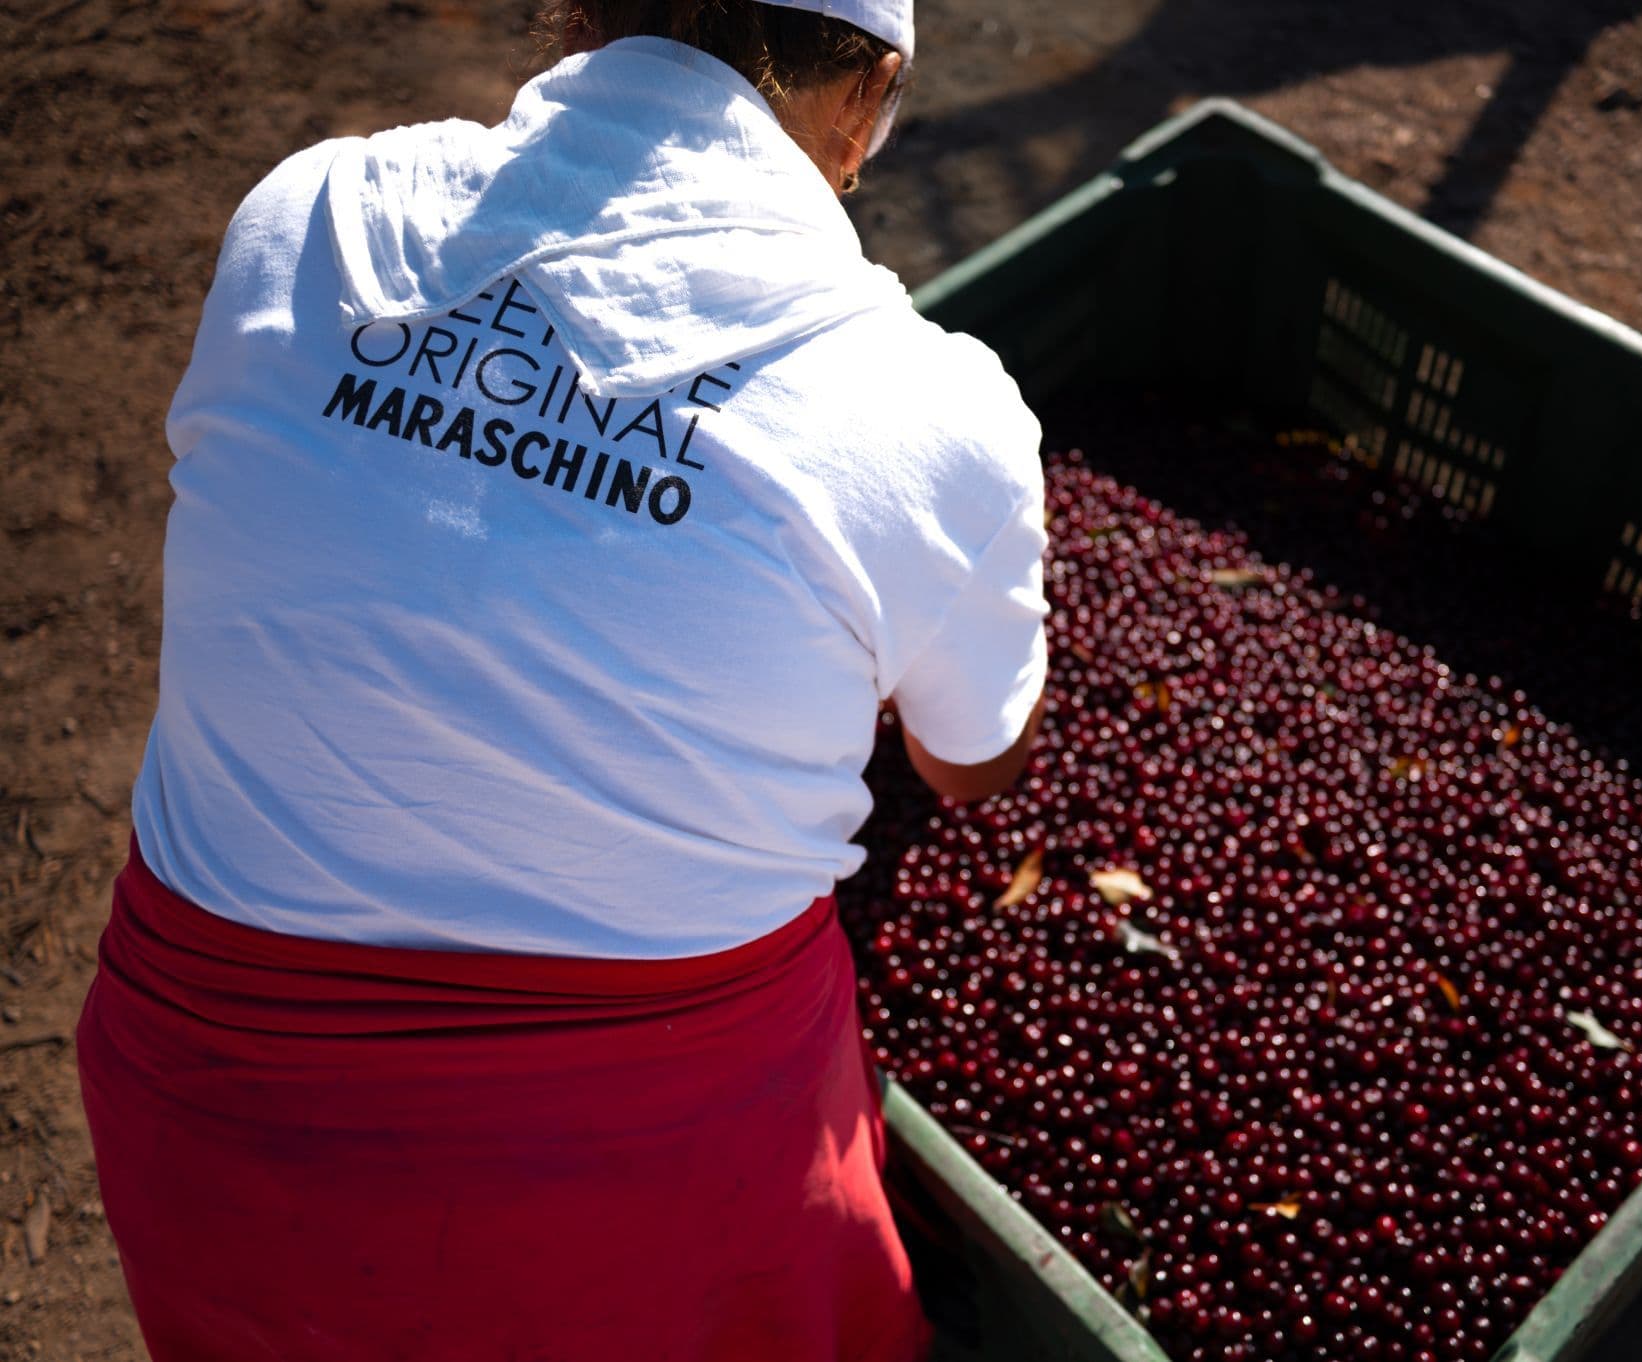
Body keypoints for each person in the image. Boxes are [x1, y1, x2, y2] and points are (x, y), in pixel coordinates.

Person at [74, 1, 1048, 1357]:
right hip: (646, 1180)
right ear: (867, 92)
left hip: (219, 1131)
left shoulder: (313, 212)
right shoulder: (933, 414)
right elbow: (970, 761)